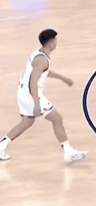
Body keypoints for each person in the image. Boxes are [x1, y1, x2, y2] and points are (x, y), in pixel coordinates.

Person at [0, 29, 88, 163]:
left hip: (23, 92)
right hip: (31, 94)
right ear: (51, 43)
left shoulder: (39, 54)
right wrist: (36, 103)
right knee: (57, 118)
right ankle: (68, 152)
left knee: (27, 122)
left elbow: (44, 71)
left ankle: (1, 146)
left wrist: (62, 78)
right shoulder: (42, 60)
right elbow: (33, 82)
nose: (56, 42)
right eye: (55, 40)